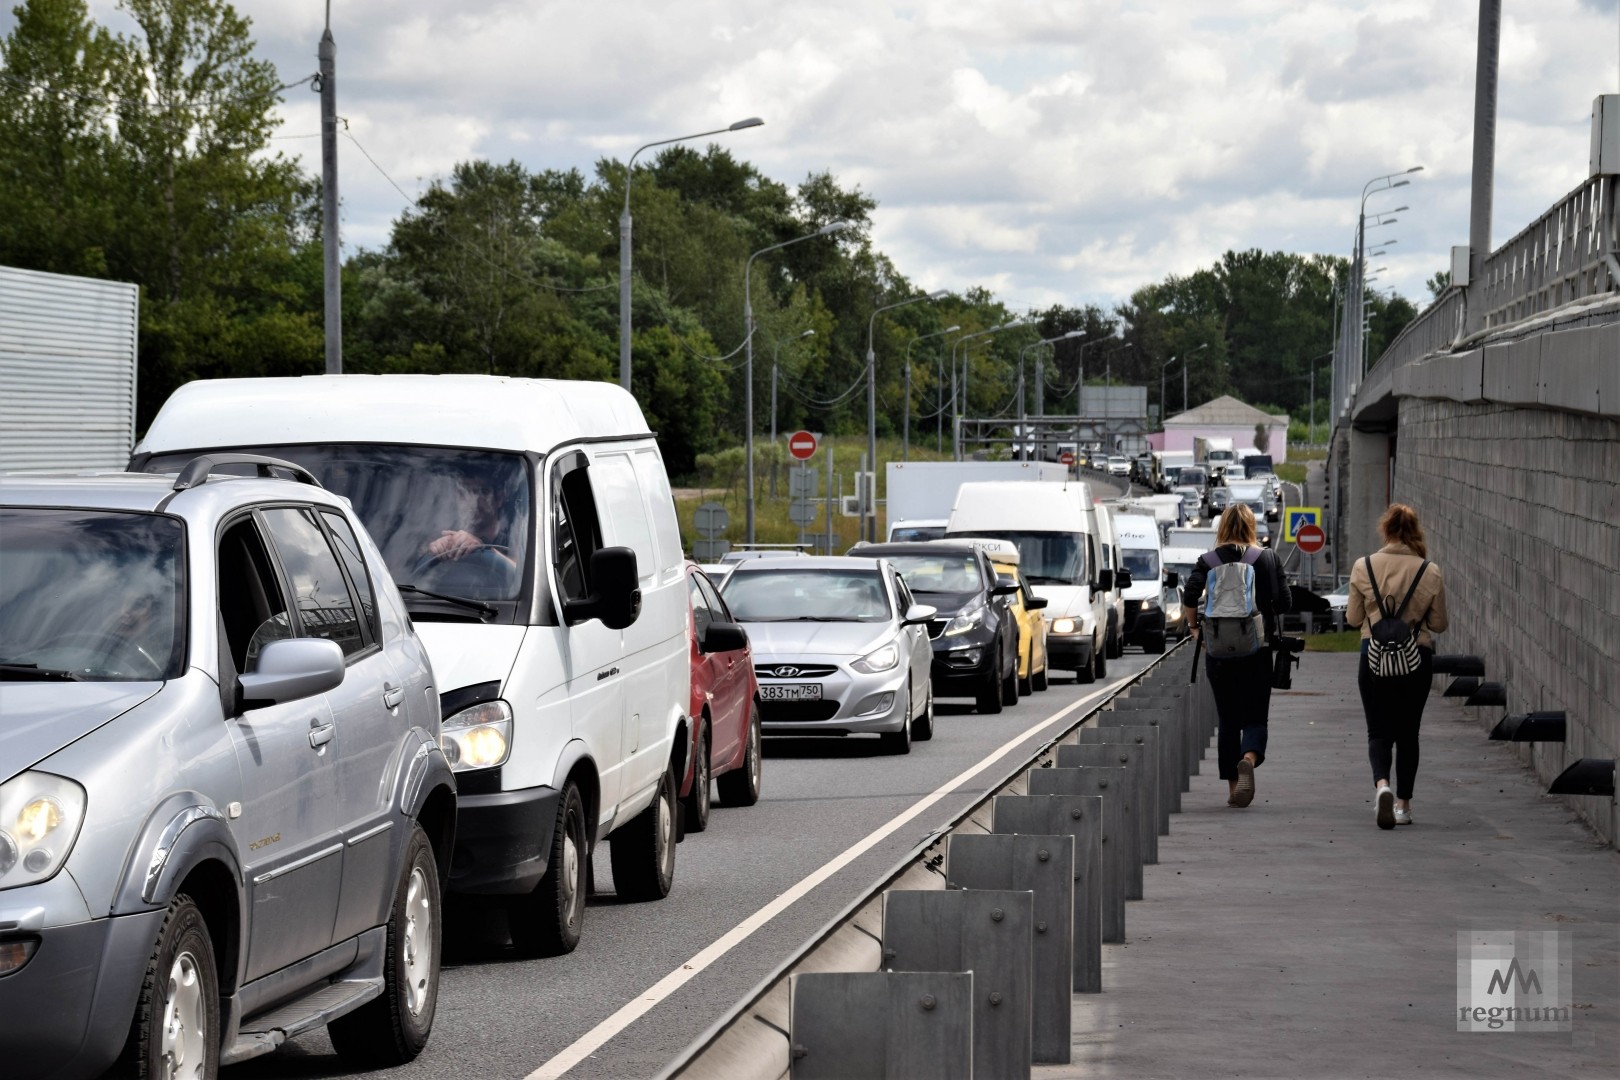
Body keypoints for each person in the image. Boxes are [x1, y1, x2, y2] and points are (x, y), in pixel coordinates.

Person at [1346, 503, 1448, 829]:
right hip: (1416, 660)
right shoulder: (1429, 571)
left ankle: (1382, 786)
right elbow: (1440, 623)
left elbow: (1352, 619)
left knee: (1378, 731)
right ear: (1415, 532)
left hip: (1373, 658)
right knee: (1408, 733)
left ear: (1386, 530)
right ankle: (1403, 805)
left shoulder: (1363, 567)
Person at [1183, 503, 1290, 808]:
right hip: (1258, 650)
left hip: (1218, 653)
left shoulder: (1208, 560)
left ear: (1222, 528)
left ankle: (1233, 789)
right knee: (1255, 716)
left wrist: (1194, 627)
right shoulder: (1267, 558)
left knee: (1228, 720)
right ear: (1251, 527)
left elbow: (1190, 596)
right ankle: (1249, 758)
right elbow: (1284, 603)